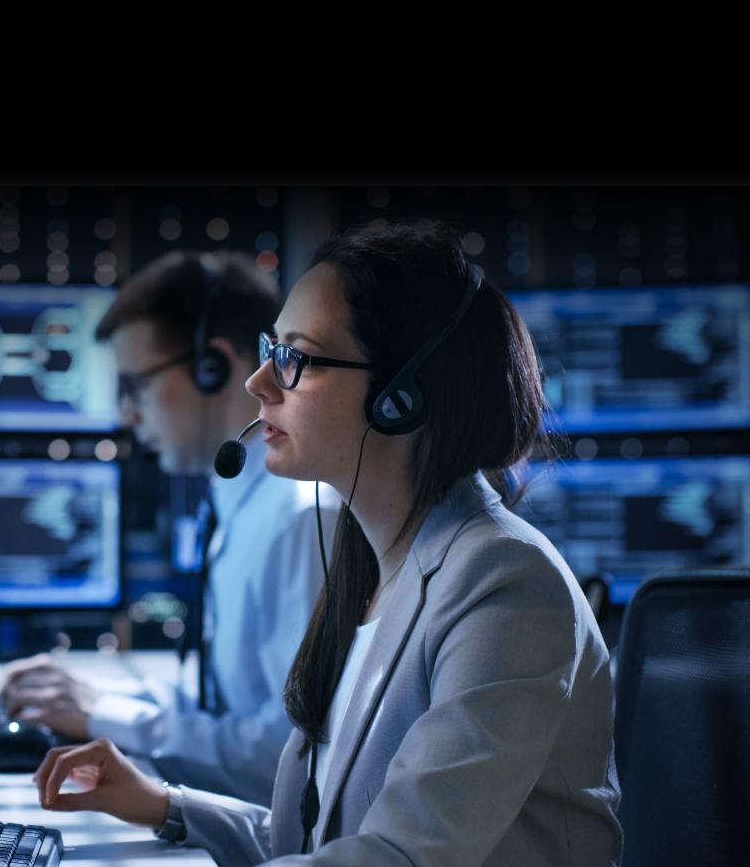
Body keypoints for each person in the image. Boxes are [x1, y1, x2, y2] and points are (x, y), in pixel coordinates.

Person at [30, 219, 623, 866]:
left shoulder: (506, 584)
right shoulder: (368, 565)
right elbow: (318, 842)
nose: (259, 384)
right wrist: (163, 803)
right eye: (270, 349)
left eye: (296, 358)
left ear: (400, 398)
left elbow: (396, 858)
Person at [0, 250, 338, 805]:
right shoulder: (237, 504)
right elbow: (223, 704)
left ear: (213, 366)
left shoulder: (303, 521)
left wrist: (102, 714)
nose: (126, 416)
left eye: (135, 387)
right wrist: (95, 699)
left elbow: (288, 759)